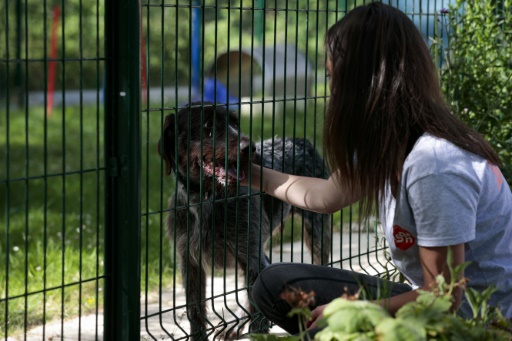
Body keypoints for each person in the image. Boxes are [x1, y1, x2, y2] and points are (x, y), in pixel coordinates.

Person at [241, 2, 512, 337]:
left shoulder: (433, 164)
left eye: (332, 76)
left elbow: (443, 299)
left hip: (478, 323)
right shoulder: (394, 143)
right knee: (273, 284)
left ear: (361, 82)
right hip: (437, 305)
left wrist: (355, 310)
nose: (331, 90)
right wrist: (248, 174)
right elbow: (323, 195)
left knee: (327, 328)